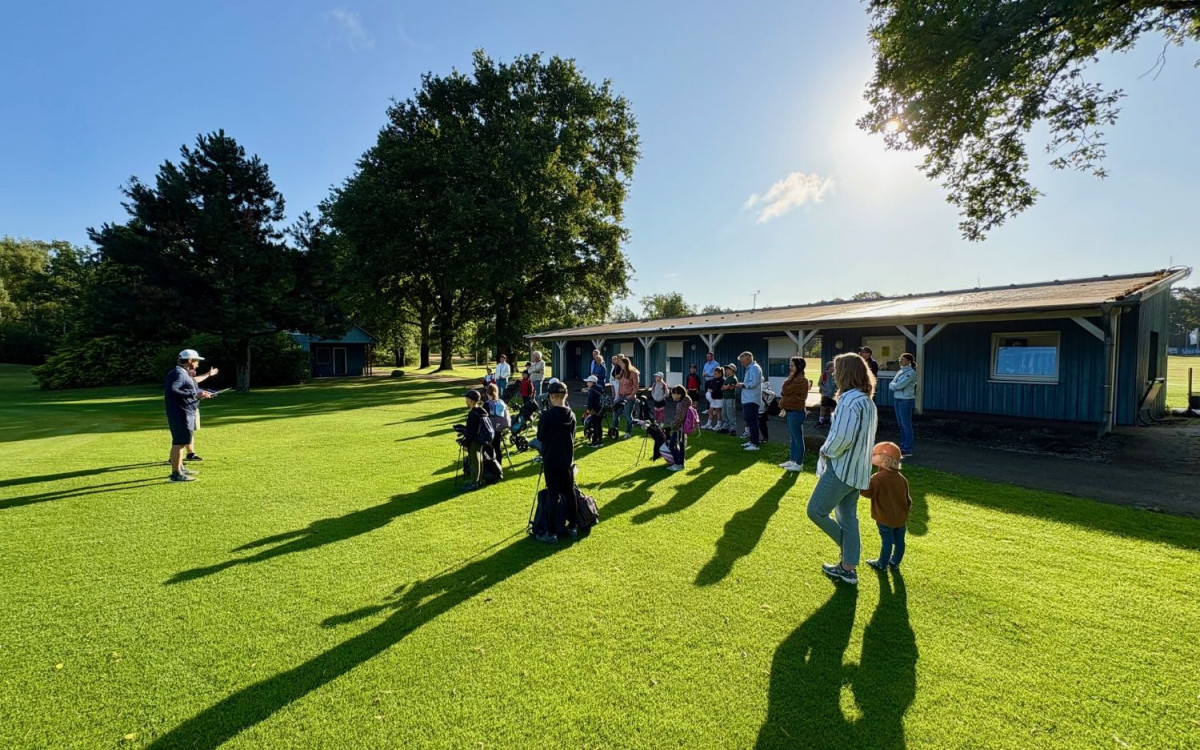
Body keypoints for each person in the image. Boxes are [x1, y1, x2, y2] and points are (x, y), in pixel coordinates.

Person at [807, 353, 879, 585]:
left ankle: (849, 553)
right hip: (859, 470)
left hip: (842, 468)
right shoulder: (867, 400)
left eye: (837, 371)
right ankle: (848, 568)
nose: (833, 375)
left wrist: (826, 451)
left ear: (845, 373)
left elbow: (842, 438)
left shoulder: (849, 400)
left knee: (816, 511)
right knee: (848, 518)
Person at [534, 380, 578, 543]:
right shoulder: (571, 415)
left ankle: (551, 533)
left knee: (553, 495)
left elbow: (540, 436)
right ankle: (572, 526)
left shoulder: (547, 416)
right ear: (565, 395)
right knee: (569, 492)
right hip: (566, 460)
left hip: (552, 460)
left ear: (552, 397)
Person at [164, 349, 217, 482]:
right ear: (189, 361)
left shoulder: (183, 373)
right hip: (180, 413)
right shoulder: (178, 373)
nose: (198, 364)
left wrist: (201, 393)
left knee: (181, 442)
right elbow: (172, 391)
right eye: (196, 361)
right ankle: (176, 474)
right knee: (179, 443)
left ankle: (180, 469)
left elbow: (188, 390)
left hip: (185, 412)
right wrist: (194, 395)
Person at [862, 442, 912, 571]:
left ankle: (882, 564)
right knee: (900, 541)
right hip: (901, 518)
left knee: (887, 541)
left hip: (885, 518)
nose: (871, 456)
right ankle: (895, 562)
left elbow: (868, 493)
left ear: (884, 458)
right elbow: (908, 499)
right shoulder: (902, 479)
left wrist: (859, 485)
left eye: (874, 454)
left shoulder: (877, 478)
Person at [183, 360, 219, 462]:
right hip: (184, 410)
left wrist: (208, 374)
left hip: (193, 408)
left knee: (190, 432)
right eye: (192, 369)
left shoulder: (191, 380)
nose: (194, 372)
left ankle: (190, 453)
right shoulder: (183, 379)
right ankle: (175, 457)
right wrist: (199, 394)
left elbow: (196, 381)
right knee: (182, 433)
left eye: (195, 370)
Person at [779, 356, 810, 472]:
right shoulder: (794, 378)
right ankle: (792, 460)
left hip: (796, 412)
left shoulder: (801, 380)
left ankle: (799, 463)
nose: (790, 367)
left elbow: (785, 391)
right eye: (790, 365)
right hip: (791, 411)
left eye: (792, 365)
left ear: (799, 367)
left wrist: (787, 380)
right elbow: (784, 391)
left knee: (797, 439)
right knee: (793, 438)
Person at [461, 390, 491, 492]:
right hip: (481, 439)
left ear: (471, 400)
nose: (466, 401)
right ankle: (479, 480)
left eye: (467, 399)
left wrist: (466, 444)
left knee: (474, 462)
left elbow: (471, 432)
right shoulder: (482, 411)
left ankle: (474, 482)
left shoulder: (473, 414)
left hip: (475, 440)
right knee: (480, 459)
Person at [888, 353, 917, 458]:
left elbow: (899, 385)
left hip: (906, 400)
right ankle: (902, 446)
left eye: (903, 359)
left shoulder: (911, 373)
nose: (900, 361)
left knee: (906, 425)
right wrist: (895, 386)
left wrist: (894, 386)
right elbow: (891, 384)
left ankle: (908, 449)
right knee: (900, 425)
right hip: (897, 399)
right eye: (900, 359)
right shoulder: (900, 371)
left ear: (909, 361)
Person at [736, 351, 764, 451]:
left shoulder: (754, 368)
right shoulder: (750, 368)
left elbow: (754, 383)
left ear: (747, 358)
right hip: (748, 399)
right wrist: (743, 384)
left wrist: (742, 385)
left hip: (752, 399)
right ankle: (752, 441)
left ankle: (755, 443)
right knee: (749, 420)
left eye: (742, 361)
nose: (741, 363)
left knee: (752, 421)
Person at [612, 354, 640, 438]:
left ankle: (628, 432)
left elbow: (636, 387)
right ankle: (614, 430)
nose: (620, 365)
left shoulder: (634, 373)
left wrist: (631, 396)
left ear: (626, 364)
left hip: (629, 397)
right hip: (621, 396)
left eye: (621, 363)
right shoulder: (622, 371)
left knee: (628, 415)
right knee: (615, 413)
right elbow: (620, 384)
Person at [667, 385, 694, 472]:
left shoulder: (681, 404)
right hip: (683, 427)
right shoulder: (686, 401)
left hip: (680, 428)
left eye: (673, 394)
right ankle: (681, 462)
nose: (672, 395)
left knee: (672, 445)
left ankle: (678, 464)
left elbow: (679, 418)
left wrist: (672, 426)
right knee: (681, 446)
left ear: (679, 394)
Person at [583, 374, 606, 448]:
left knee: (595, 425)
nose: (587, 383)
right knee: (599, 425)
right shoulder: (600, 387)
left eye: (588, 382)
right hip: (602, 409)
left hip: (595, 410)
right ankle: (600, 440)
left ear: (592, 382)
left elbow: (590, 402)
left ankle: (595, 442)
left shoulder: (592, 390)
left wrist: (588, 410)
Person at [720, 363, 739, 435]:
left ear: (732, 370)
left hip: (730, 397)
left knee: (730, 413)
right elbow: (722, 388)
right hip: (725, 397)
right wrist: (726, 387)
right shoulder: (727, 378)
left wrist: (726, 387)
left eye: (728, 369)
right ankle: (725, 428)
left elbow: (726, 387)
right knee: (724, 413)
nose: (726, 370)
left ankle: (733, 429)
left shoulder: (733, 378)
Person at [818, 361, 837, 426]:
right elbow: (819, 383)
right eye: (832, 368)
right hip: (825, 395)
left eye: (834, 368)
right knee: (823, 407)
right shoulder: (824, 375)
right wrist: (825, 390)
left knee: (832, 408)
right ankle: (821, 421)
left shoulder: (834, 375)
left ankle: (831, 421)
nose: (833, 370)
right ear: (828, 368)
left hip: (833, 395)